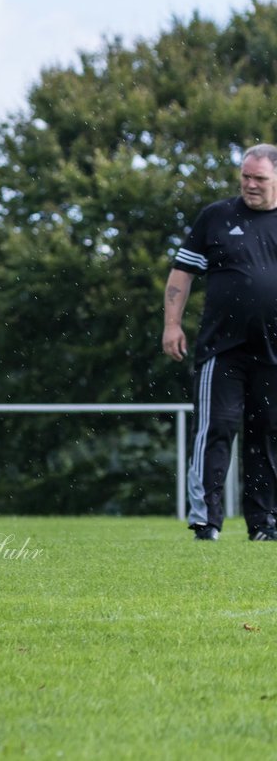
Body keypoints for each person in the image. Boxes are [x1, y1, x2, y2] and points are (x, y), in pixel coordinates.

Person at [163, 143, 277, 541]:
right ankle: (206, 522)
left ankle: (264, 525)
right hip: (221, 349)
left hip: (274, 353)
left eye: (259, 178)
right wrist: (172, 325)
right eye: (245, 176)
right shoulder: (216, 217)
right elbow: (182, 274)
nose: (250, 184)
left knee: (265, 435)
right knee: (216, 429)